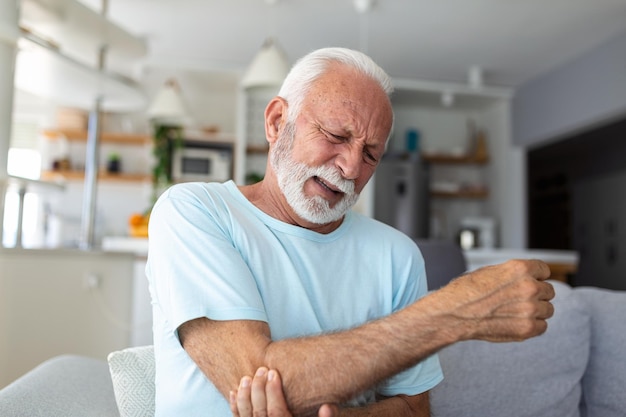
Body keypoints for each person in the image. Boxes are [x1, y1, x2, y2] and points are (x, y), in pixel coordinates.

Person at [146, 47, 555, 417]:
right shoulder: (193, 211)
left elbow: (414, 410)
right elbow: (251, 378)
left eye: (371, 153)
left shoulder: (397, 253)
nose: (350, 168)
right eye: (336, 136)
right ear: (276, 122)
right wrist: (456, 311)